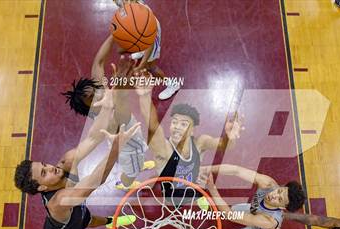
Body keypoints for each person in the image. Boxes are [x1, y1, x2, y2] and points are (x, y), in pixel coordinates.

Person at [14, 90, 140, 229]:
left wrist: (106, 107)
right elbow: (94, 181)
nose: (51, 167)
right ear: (42, 187)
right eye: (44, 173)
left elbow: (91, 138)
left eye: (44, 164)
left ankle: (110, 222)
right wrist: (115, 149)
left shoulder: (64, 164)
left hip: (76, 212)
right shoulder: (61, 200)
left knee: (88, 219)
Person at [62, 35, 154, 191]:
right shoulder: (104, 120)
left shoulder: (99, 89)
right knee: (131, 169)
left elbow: (98, 61)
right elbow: (122, 110)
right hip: (127, 146)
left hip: (132, 131)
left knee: (139, 155)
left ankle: (138, 163)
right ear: (89, 108)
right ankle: (125, 183)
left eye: (95, 89)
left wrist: (115, 34)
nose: (98, 93)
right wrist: (120, 83)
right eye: (92, 97)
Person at [135, 71, 243, 203]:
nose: (177, 127)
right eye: (174, 122)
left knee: (202, 183)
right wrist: (145, 96)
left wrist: (230, 138)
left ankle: (197, 197)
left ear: (192, 130)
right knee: (175, 203)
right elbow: (153, 126)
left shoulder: (200, 142)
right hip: (172, 195)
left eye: (184, 124)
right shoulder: (164, 148)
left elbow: (225, 146)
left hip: (194, 187)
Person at [204, 170, 305, 229]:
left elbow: (229, 215)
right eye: (279, 191)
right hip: (254, 211)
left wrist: (212, 188)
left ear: (283, 207)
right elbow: (237, 171)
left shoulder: (269, 221)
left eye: (279, 200)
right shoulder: (269, 185)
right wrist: (210, 168)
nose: (274, 195)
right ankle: (242, 220)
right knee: (231, 209)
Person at [114, 0, 182, 100]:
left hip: (151, 34)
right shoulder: (126, 4)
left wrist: (142, 64)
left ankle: (173, 85)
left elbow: (149, 42)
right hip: (143, 30)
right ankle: (142, 50)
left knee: (151, 67)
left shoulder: (140, 16)